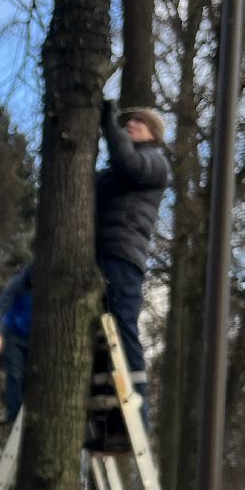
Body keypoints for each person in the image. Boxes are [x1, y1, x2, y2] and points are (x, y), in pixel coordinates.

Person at [95, 101, 169, 421]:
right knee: (102, 332)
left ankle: (139, 407)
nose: (130, 125)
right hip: (105, 253)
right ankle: (109, 404)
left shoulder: (155, 162)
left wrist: (109, 125)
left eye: (139, 122)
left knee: (123, 326)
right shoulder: (120, 167)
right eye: (128, 122)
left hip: (123, 256)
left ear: (154, 134)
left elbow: (127, 164)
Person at [0, 264, 33, 422]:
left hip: (33, 339)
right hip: (14, 335)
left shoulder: (49, 289)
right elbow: (0, 307)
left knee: (30, 377)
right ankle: (14, 415)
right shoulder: (19, 283)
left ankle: (28, 411)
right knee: (15, 375)